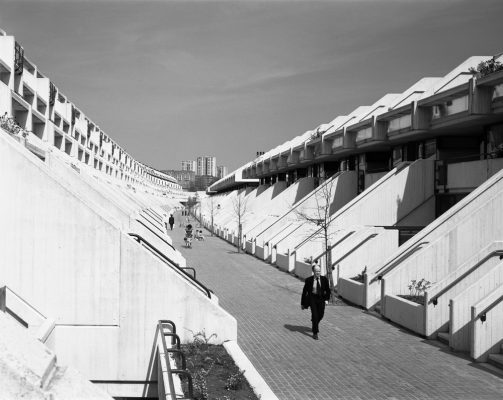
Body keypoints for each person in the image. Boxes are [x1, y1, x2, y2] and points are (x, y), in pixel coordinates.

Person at [301, 262, 331, 340]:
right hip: (312, 299)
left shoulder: (324, 279)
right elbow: (304, 292)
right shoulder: (309, 280)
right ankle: (315, 332)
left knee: (320, 315)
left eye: (319, 271)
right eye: (316, 271)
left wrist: (327, 299)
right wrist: (302, 303)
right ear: (313, 272)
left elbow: (328, 290)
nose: (318, 272)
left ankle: (314, 321)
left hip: (321, 299)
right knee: (315, 315)